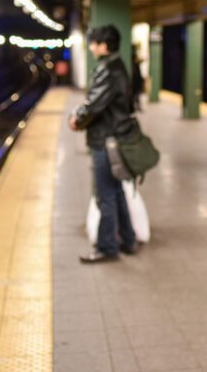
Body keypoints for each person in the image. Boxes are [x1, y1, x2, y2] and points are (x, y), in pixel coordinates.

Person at [69, 24, 138, 263]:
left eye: (93, 43)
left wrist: (77, 118)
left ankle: (107, 248)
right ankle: (128, 240)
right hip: (114, 138)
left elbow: (94, 104)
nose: (90, 47)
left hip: (106, 141)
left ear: (103, 45)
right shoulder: (117, 66)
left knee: (105, 195)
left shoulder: (108, 69)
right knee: (116, 191)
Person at [131, 44, 145, 111]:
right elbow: (137, 60)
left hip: (137, 77)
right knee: (136, 93)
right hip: (135, 78)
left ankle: (137, 106)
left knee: (137, 93)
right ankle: (136, 106)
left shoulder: (134, 55)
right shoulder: (133, 55)